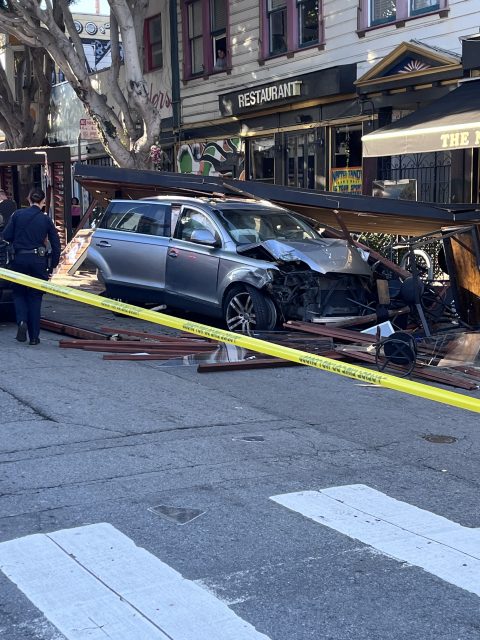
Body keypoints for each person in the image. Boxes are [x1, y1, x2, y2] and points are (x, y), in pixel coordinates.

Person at [3, 187, 61, 346]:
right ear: (43, 202)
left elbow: (6, 236)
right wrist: (53, 265)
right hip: (38, 261)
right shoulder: (46, 219)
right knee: (35, 297)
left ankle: (22, 321)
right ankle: (34, 337)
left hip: (19, 259)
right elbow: (56, 244)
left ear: (28, 199)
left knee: (19, 293)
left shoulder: (17, 215)